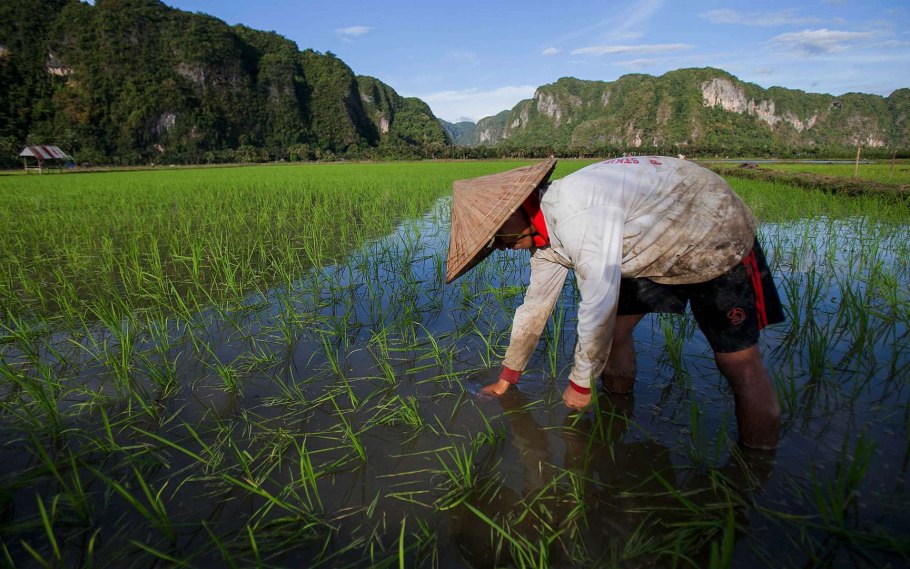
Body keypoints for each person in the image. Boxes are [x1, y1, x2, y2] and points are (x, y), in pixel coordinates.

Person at [446, 156, 784, 449]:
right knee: (614, 338)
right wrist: (507, 379)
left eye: (496, 237)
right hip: (645, 244)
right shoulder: (541, 239)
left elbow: (598, 303)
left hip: (713, 230)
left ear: (516, 208)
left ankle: (756, 468)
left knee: (738, 362)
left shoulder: (579, 214)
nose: (499, 247)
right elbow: (534, 307)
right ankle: (618, 417)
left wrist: (580, 383)